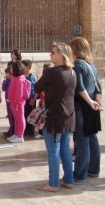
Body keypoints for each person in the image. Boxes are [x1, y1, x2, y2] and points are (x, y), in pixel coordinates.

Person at [34, 42, 77, 192]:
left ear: (61, 55)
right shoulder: (73, 72)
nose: (50, 55)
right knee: (65, 148)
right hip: (69, 116)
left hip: (54, 117)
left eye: (53, 52)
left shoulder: (52, 72)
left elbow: (37, 86)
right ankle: (68, 180)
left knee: (53, 150)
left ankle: (53, 183)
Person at [70, 36, 102, 182]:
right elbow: (98, 87)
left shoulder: (78, 65)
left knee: (82, 141)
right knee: (92, 139)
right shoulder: (92, 65)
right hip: (92, 105)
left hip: (82, 105)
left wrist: (89, 102)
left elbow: (80, 87)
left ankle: (79, 174)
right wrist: (96, 102)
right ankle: (94, 170)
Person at [7, 61, 29, 143]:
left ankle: (20, 135)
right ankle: (16, 134)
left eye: (12, 68)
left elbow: (19, 93)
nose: (11, 69)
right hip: (13, 102)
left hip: (18, 103)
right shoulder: (16, 78)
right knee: (16, 119)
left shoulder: (20, 79)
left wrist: (16, 103)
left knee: (20, 119)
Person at [22, 59, 36, 137]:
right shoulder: (24, 76)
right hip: (25, 99)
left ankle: (30, 131)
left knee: (29, 115)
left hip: (30, 100)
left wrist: (32, 98)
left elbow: (33, 89)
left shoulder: (31, 77)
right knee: (25, 115)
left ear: (27, 67)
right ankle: (26, 130)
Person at [2, 67, 14, 138]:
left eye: (7, 73)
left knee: (12, 117)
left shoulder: (14, 81)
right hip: (7, 100)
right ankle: (10, 130)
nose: (6, 75)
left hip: (12, 101)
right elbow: (3, 88)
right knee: (9, 116)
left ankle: (13, 131)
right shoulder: (6, 81)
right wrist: (5, 81)